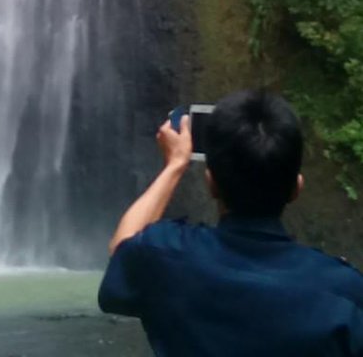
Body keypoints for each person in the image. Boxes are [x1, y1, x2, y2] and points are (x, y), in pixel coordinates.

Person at [98, 90, 363, 355]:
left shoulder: (164, 258)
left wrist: (174, 166)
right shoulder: (344, 291)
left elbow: (122, 248)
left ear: (211, 183)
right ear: (296, 188)